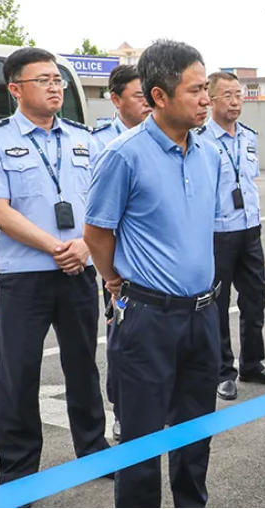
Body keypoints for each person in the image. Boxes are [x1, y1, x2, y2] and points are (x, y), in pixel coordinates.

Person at [84, 39, 222, 508]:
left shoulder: (210, 155)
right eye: (195, 90)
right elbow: (97, 232)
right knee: (141, 443)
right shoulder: (124, 155)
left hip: (203, 315)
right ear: (159, 96)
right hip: (147, 319)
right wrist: (115, 279)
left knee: (195, 435)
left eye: (207, 87)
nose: (207, 99)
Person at [0, 47, 110, 485]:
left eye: (58, 79)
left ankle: (94, 452)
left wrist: (85, 247)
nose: (55, 86)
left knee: (83, 367)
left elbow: (100, 204)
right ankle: (18, 473)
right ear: (16, 89)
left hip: (78, 273)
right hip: (24, 278)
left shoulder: (83, 138)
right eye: (44, 80)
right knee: (18, 374)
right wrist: (57, 246)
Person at [199, 71, 265, 402]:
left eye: (239, 95)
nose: (235, 102)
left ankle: (252, 363)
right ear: (211, 99)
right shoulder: (200, 139)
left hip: (249, 229)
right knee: (218, 304)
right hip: (218, 233)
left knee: (256, 296)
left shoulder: (248, 137)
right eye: (228, 95)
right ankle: (223, 371)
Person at [90, 64, 152, 442]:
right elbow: (97, 216)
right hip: (118, 265)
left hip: (152, 267)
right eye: (138, 96)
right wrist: (111, 273)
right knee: (121, 338)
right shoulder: (100, 144)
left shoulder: (165, 137)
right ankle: (121, 410)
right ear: (116, 100)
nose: (147, 103)